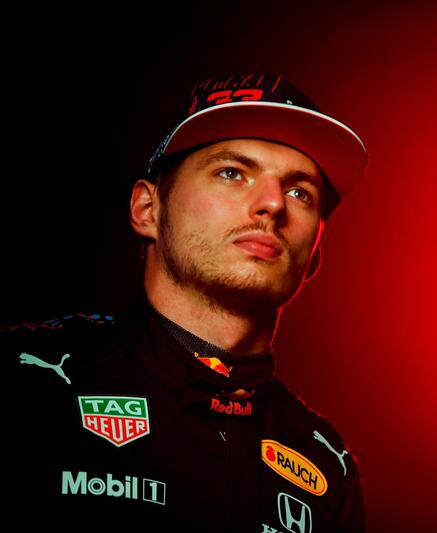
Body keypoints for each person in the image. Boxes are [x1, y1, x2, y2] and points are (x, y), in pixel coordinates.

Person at [1, 72, 368, 533]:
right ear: (147, 210)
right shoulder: (24, 378)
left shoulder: (325, 462)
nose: (274, 203)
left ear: (314, 254)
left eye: (300, 191)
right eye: (232, 172)